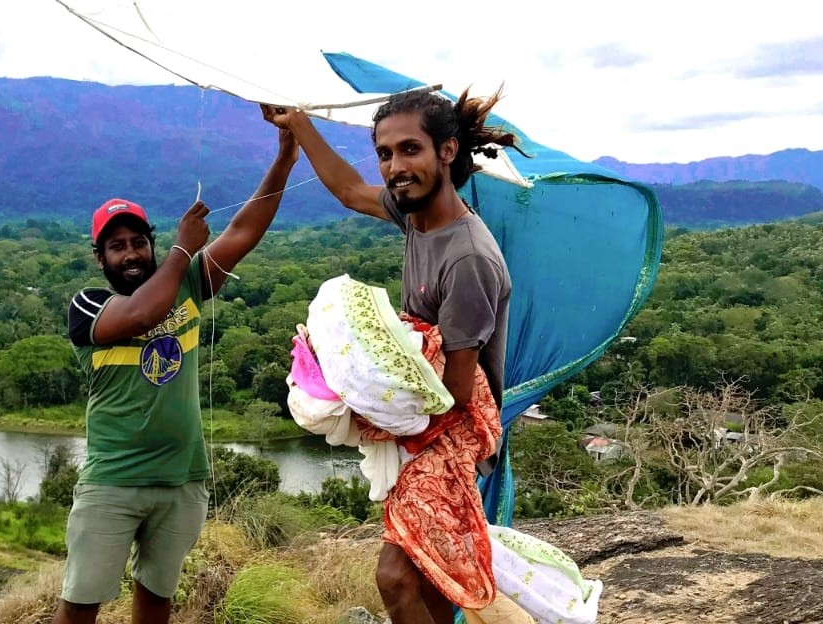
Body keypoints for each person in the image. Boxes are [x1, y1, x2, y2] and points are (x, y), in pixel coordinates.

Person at [267, 88, 525, 624]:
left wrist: (361, 406)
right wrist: (299, 123)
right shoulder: (417, 215)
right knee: (430, 585)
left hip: (455, 430)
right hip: (423, 417)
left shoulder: (468, 258)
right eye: (385, 154)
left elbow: (455, 393)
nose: (395, 167)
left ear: (447, 152)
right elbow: (346, 190)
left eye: (410, 150)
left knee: (395, 576)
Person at [54, 127, 299, 624]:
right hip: (113, 482)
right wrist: (183, 250)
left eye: (138, 242)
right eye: (116, 246)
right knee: (80, 607)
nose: (129, 254)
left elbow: (245, 231)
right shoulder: (90, 305)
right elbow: (142, 314)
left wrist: (285, 158)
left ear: (151, 245)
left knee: (157, 599)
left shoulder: (186, 280)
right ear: (99, 257)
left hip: (182, 479)